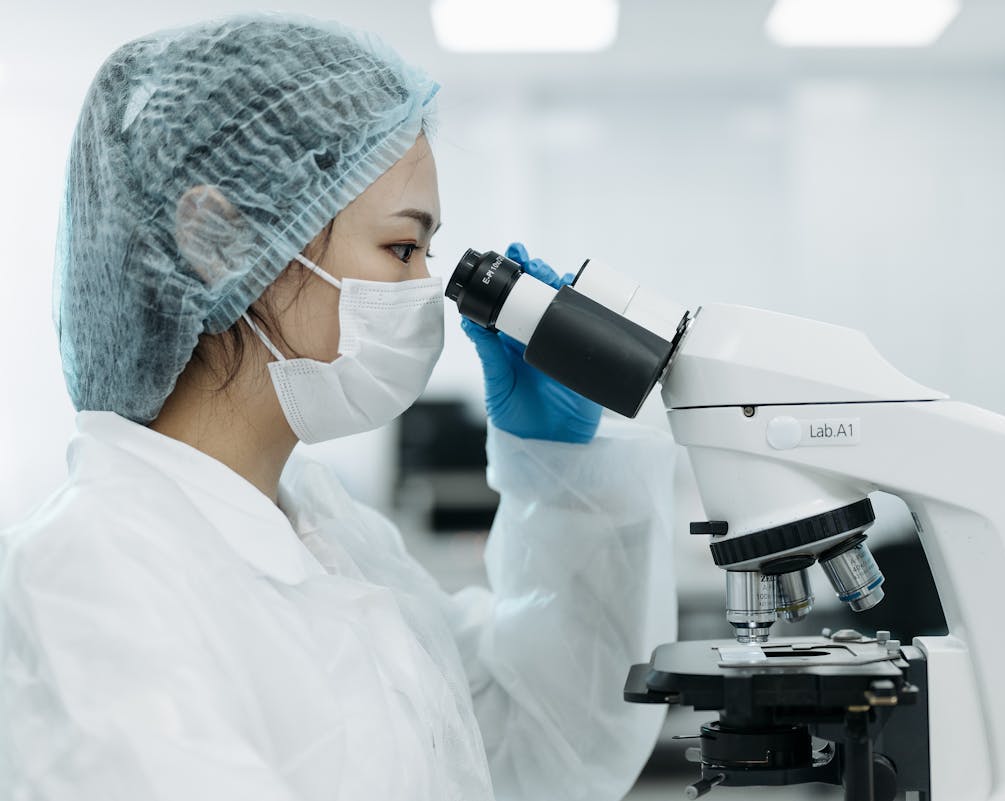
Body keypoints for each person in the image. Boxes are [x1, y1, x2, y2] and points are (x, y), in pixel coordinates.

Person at [0, 15, 676, 801]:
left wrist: (562, 480)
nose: (426, 289)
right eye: (400, 248)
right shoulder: (95, 570)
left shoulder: (331, 534)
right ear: (217, 238)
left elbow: (538, 747)